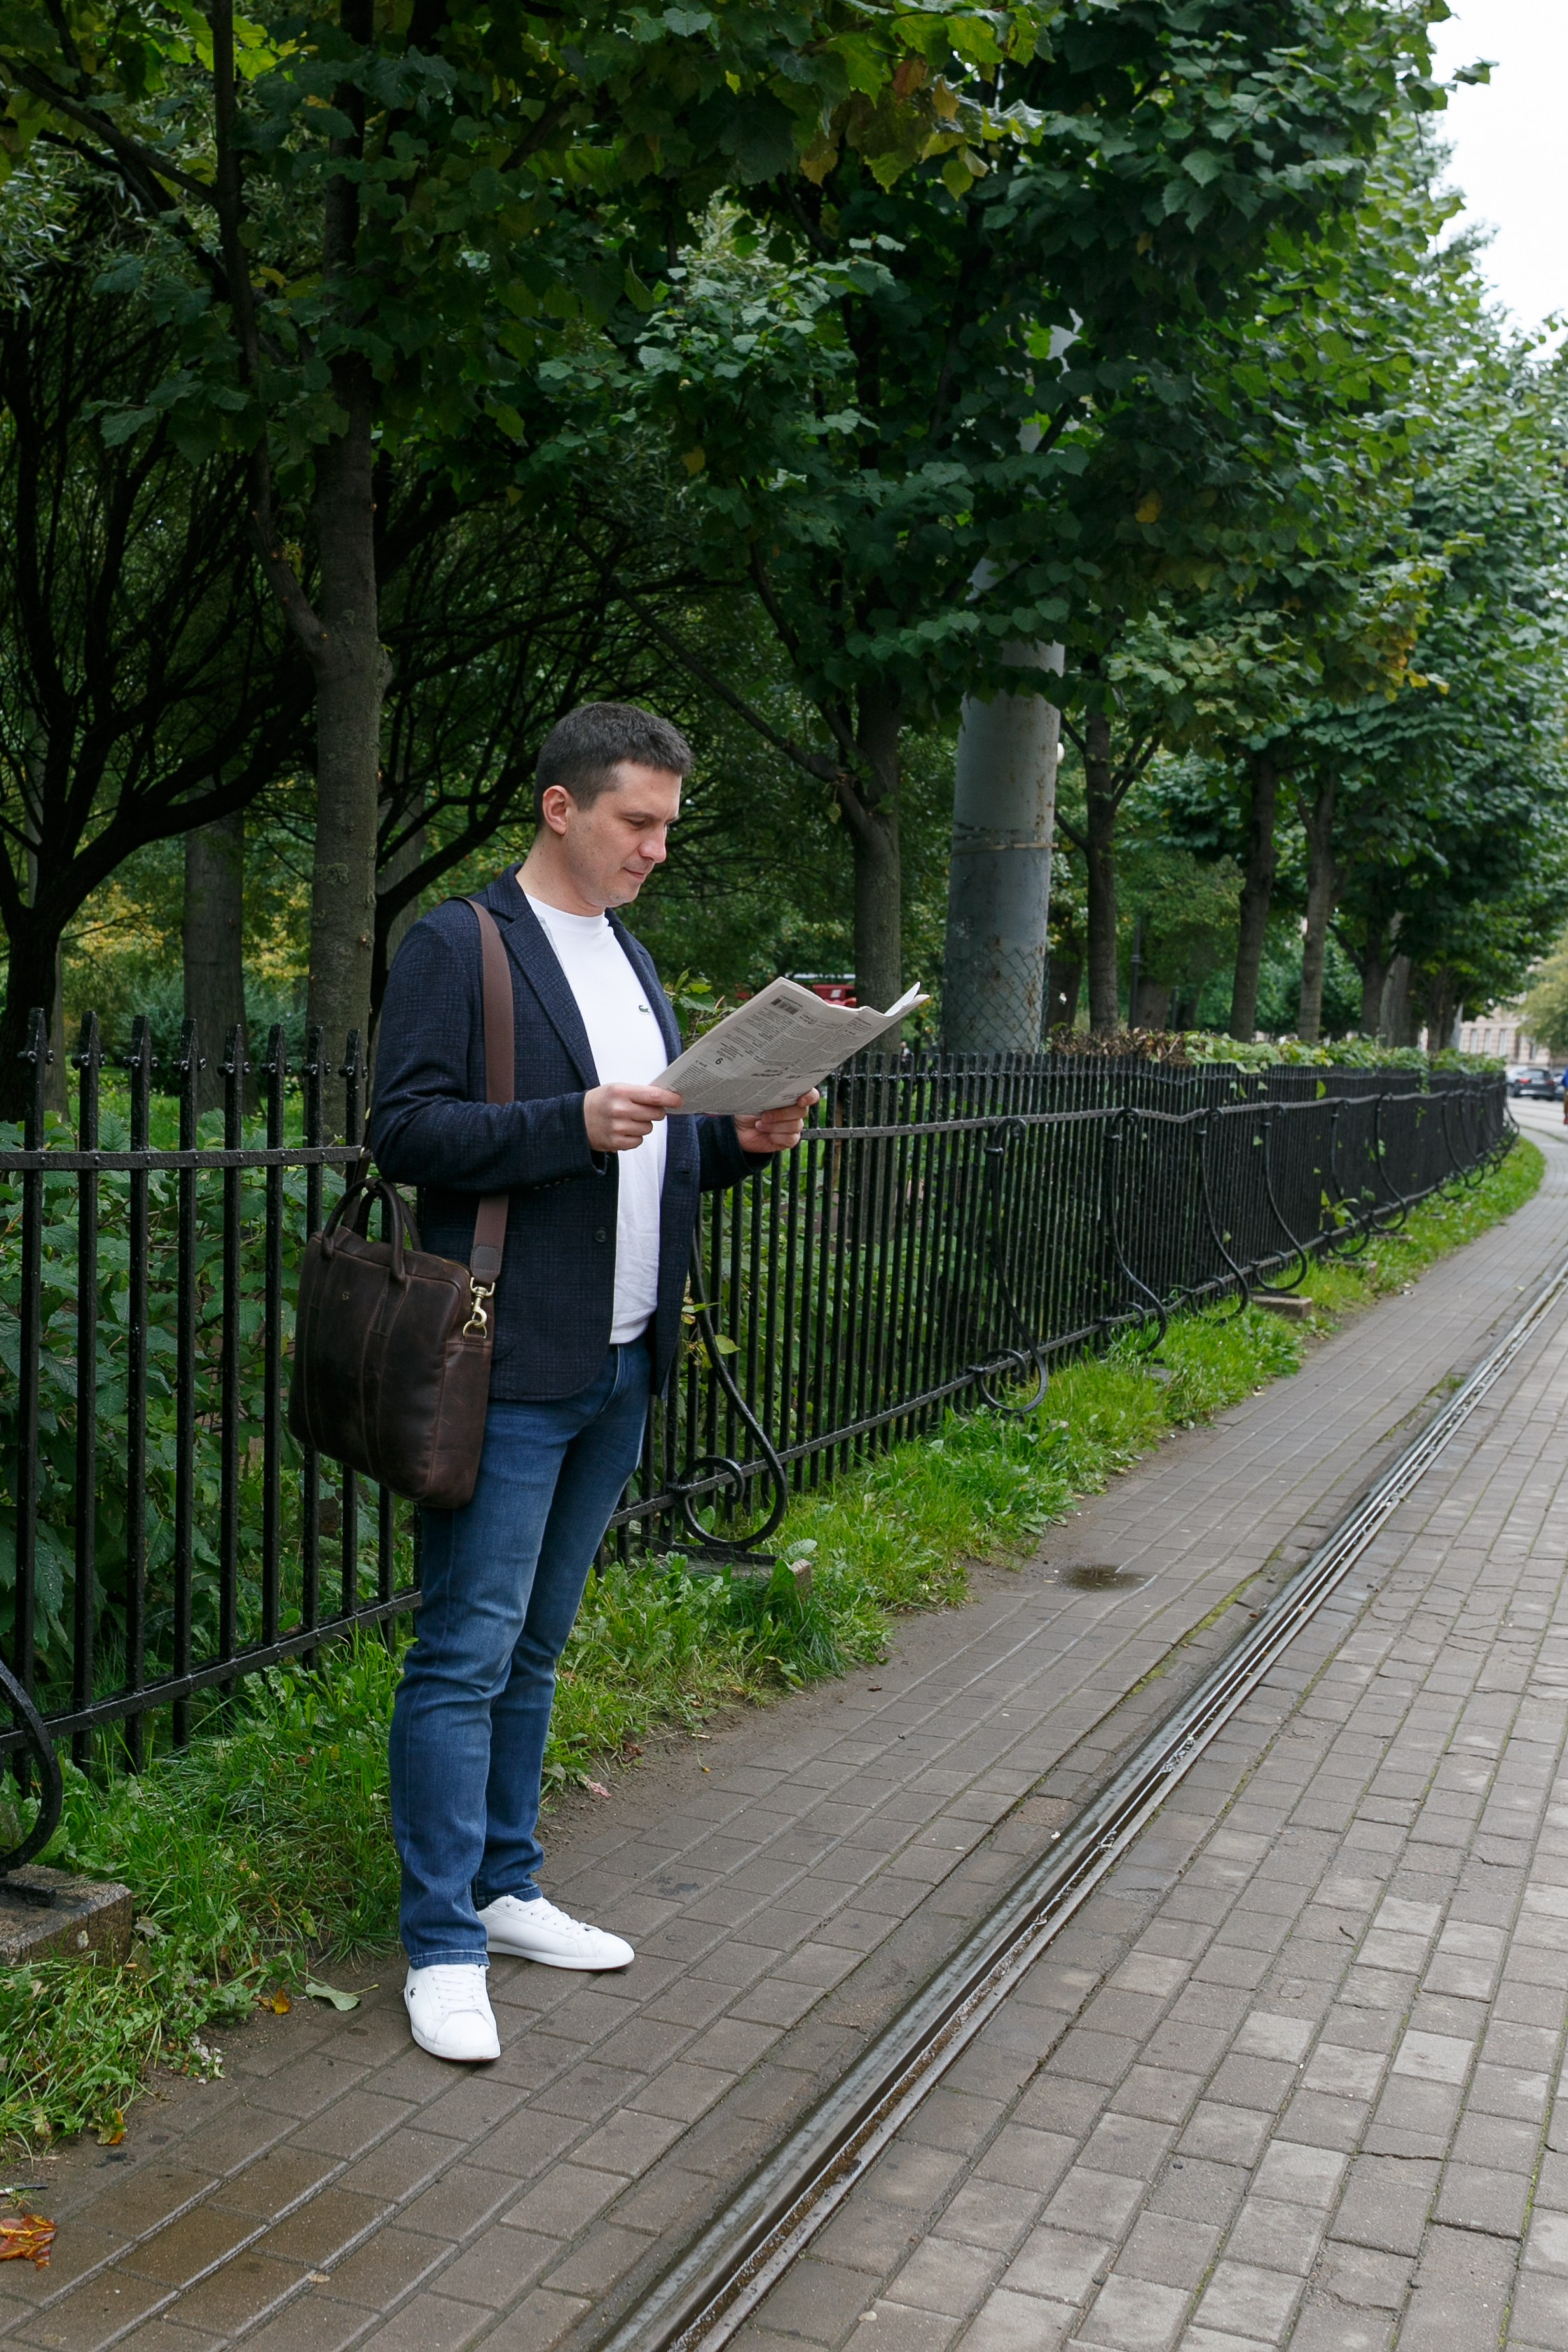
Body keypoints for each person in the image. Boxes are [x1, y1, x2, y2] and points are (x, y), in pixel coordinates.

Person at [371, 703, 814, 2062]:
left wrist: (741, 1139)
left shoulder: (631, 954)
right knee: (464, 1651)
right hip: (506, 1360)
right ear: (561, 807)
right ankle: (439, 1939)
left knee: (538, 1646)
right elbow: (404, 1129)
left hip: (620, 1359)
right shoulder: (461, 943)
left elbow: (655, 1150)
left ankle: (504, 1883)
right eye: (639, 821)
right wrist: (565, 1123)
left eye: (669, 825)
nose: (657, 848)